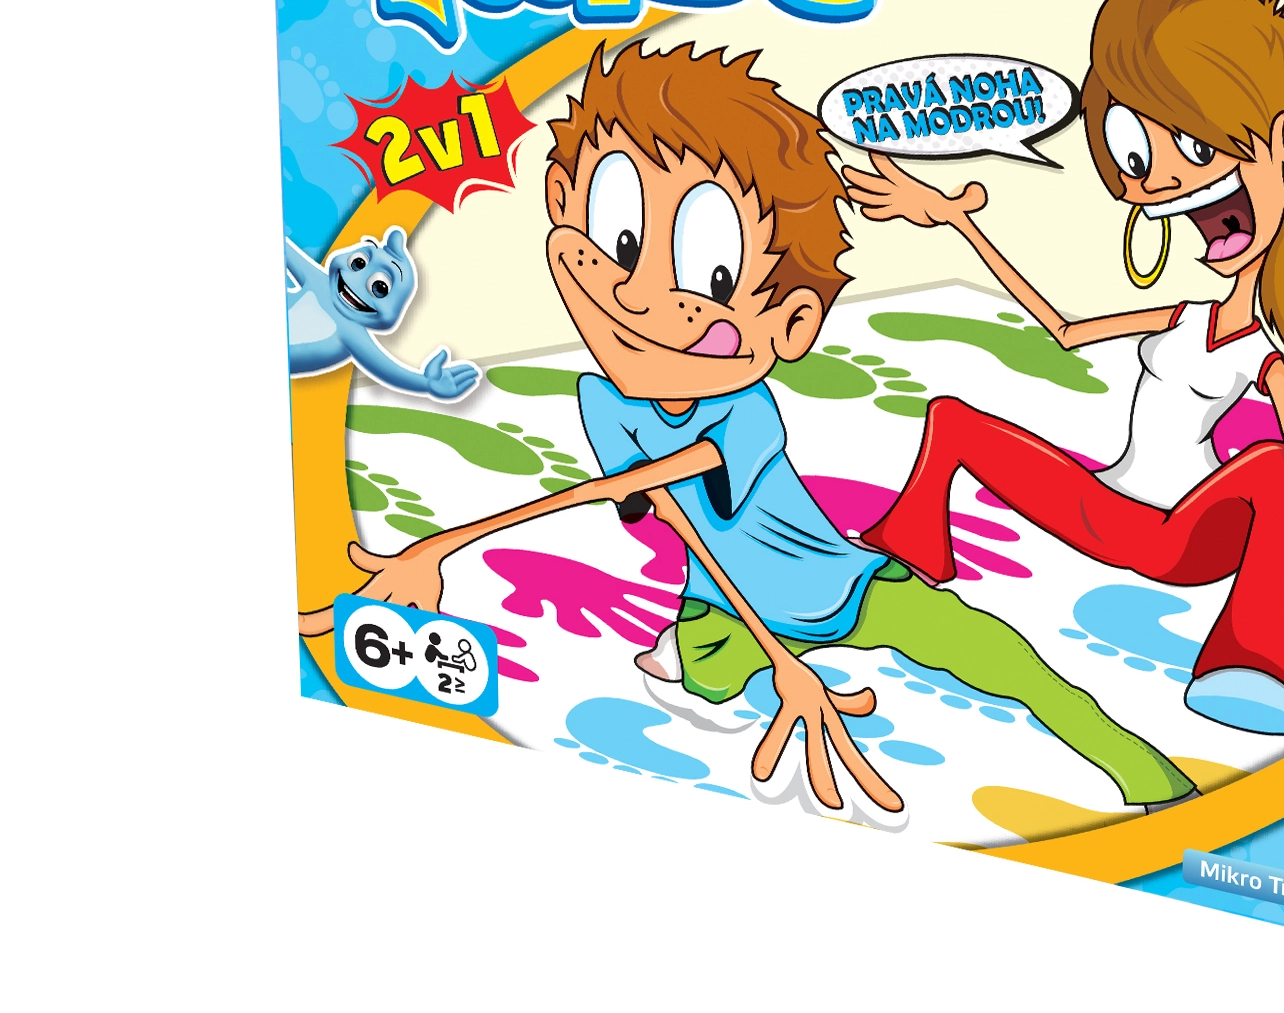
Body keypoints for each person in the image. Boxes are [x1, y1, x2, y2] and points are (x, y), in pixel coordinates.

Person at [300, 40, 1195, 817]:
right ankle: (700, 660)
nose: (642, 294)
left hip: (849, 585)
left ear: (792, 325)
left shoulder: (743, 407)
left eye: (712, 275)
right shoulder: (604, 400)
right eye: (616, 238)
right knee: (701, 675)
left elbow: (636, 487)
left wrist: (450, 540)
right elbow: (672, 516)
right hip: (718, 612)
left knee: (1009, 660)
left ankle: (1151, 777)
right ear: (565, 209)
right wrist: (772, 659)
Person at [845, 0, 1284, 743]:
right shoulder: (1184, 313)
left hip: (1181, 537)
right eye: (1137, 152)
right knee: (953, 420)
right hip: (1109, 506)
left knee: (1272, 465)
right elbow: (1062, 329)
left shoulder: (1262, 353)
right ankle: (907, 550)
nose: (1160, 179)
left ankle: (1254, 661)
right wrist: (956, 219)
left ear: (1283, 142)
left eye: (1194, 144)